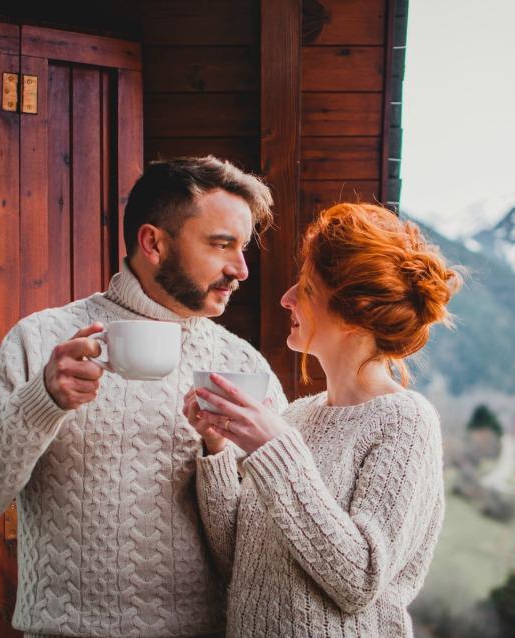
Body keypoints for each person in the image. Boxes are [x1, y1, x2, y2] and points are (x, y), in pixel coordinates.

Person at [0, 156, 287, 638]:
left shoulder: (244, 366)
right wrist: (42, 402)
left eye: (243, 248)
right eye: (221, 244)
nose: (241, 269)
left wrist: (218, 452)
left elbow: (270, 547)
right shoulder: (41, 340)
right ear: (153, 243)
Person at [184, 202, 462, 637]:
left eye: (307, 289)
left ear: (353, 316)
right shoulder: (295, 417)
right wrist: (216, 449)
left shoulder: (406, 423)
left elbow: (359, 579)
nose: (286, 298)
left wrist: (277, 451)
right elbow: (237, 559)